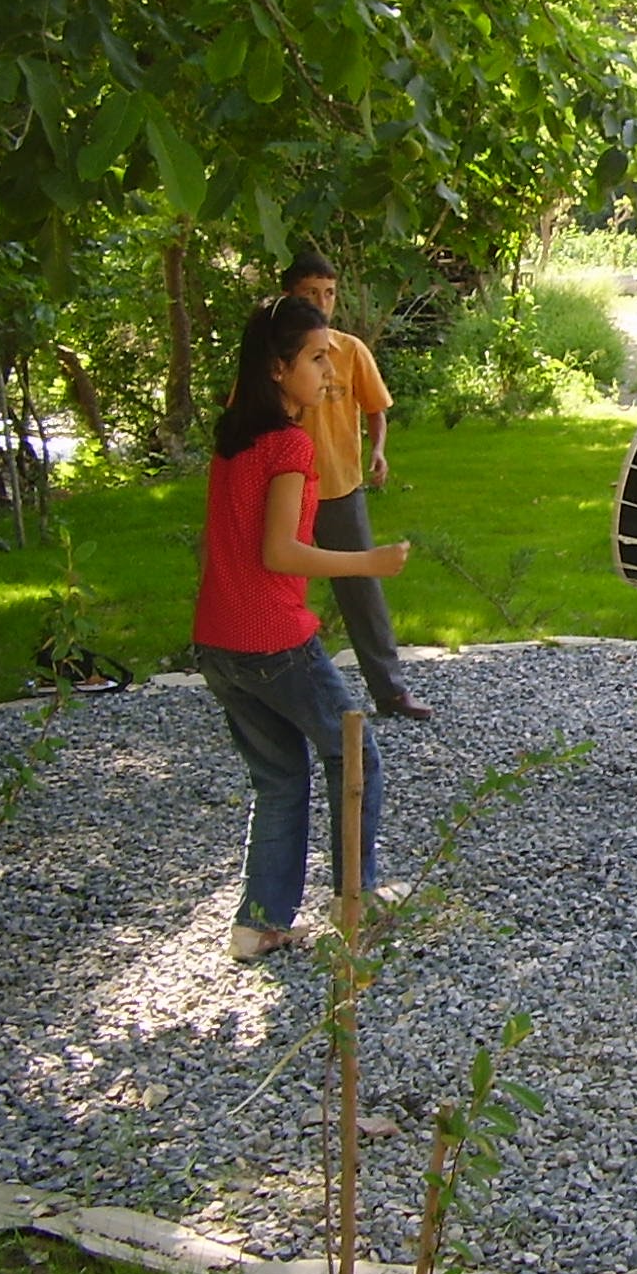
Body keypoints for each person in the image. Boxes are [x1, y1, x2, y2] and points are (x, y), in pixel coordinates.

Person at [192, 295, 411, 960]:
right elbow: (280, 552)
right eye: (316, 359)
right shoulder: (289, 444)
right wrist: (368, 562)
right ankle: (355, 901)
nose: (330, 372)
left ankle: (258, 924)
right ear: (277, 368)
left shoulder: (234, 437)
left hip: (218, 641)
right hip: (273, 641)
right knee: (356, 755)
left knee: (280, 779)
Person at [278, 254, 432, 722]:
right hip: (285, 492)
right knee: (281, 590)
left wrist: (379, 450)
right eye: (310, 293)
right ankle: (276, 690)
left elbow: (375, 408)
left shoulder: (351, 350)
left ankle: (390, 691)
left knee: (362, 592)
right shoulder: (272, 359)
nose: (322, 302)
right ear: (289, 297)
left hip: (342, 487)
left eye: (329, 292)